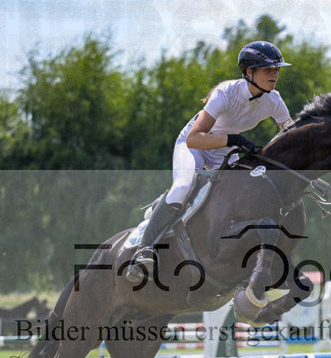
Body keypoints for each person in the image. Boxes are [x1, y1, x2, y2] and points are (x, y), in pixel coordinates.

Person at [126, 41, 294, 282]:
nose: (274, 74)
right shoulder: (225, 93)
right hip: (193, 146)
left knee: (244, 193)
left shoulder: (274, 100)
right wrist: (234, 139)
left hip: (224, 151)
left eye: (276, 70)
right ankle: (144, 249)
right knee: (184, 186)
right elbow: (195, 138)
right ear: (249, 72)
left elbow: (289, 135)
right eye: (268, 69)